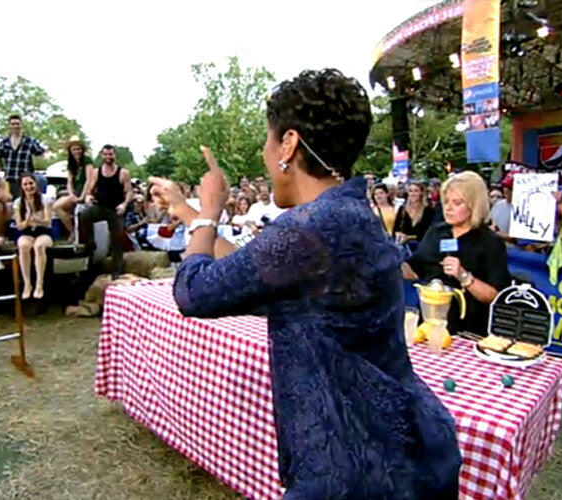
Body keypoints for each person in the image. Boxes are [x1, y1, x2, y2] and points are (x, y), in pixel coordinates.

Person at [150, 68, 460, 498]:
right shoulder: (348, 213)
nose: (264, 154)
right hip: (409, 452)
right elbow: (255, 271)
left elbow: (193, 292)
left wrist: (209, 211)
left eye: (267, 141)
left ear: (289, 144)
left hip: (356, 470)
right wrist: (190, 215)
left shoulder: (309, 228)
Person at [403, 171, 511, 335]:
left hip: (469, 332)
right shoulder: (436, 232)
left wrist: (464, 276)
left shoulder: (490, 242)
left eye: (457, 203)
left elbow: (496, 296)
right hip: (429, 326)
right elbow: (414, 269)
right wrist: (388, 263)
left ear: (474, 205)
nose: (448, 208)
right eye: (446, 201)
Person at [79, 145, 132, 279]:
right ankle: (90, 242)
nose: (108, 157)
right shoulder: (96, 172)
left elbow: (129, 192)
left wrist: (124, 204)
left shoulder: (123, 173)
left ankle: (116, 271)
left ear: (115, 155)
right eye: (106, 154)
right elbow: (90, 189)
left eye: (111, 154)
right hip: (100, 206)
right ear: (102, 156)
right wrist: (88, 196)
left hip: (115, 209)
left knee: (117, 238)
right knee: (84, 214)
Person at [13, 174, 53, 299]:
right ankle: (27, 284)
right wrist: (27, 221)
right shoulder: (18, 202)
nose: (29, 186)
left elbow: (48, 222)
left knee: (39, 246)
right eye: (25, 184)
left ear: (36, 184)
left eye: (31, 183)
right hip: (27, 231)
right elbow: (19, 226)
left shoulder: (45, 199)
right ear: (21, 187)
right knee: (23, 245)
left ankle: (39, 284)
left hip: (43, 231)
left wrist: (37, 220)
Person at [53, 136, 95, 238]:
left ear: (82, 149)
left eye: (78, 149)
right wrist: (71, 194)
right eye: (74, 149)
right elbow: (69, 182)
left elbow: (89, 180)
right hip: (76, 193)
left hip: (87, 192)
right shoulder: (71, 163)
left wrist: (82, 196)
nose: (76, 151)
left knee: (86, 207)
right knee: (56, 207)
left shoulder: (87, 160)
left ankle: (86, 235)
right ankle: (72, 231)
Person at [0, 114, 46, 198]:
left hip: (25, 181)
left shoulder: (30, 141)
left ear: (21, 125)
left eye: (17, 124)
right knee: (10, 203)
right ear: (9, 126)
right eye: (13, 124)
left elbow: (41, 152)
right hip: (9, 180)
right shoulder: (4, 143)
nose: (15, 126)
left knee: (24, 202)